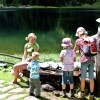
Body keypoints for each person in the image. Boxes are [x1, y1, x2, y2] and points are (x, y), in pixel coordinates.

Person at [74, 27, 95, 99]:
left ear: (78, 34)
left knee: (83, 78)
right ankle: (91, 95)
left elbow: (75, 50)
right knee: (91, 78)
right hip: (92, 59)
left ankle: (82, 93)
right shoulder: (91, 39)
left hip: (83, 61)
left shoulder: (78, 40)